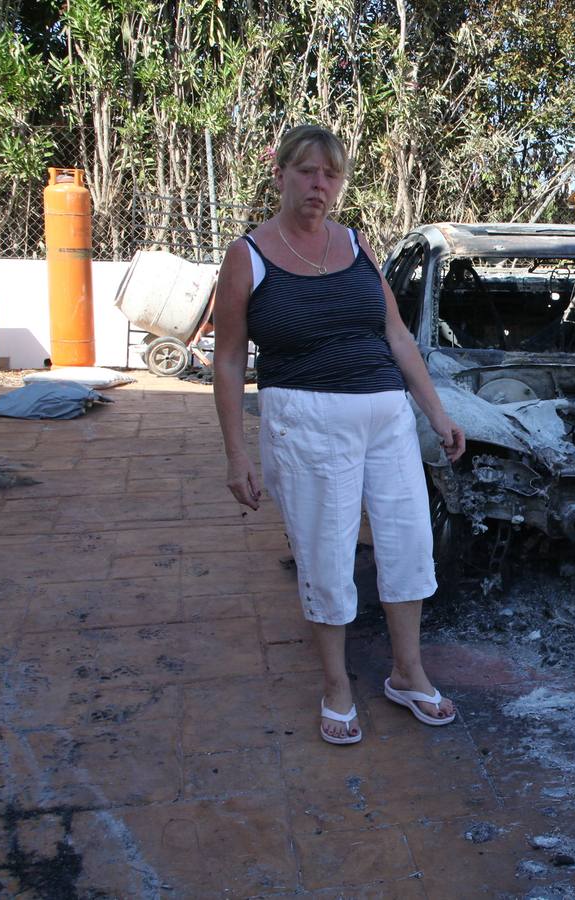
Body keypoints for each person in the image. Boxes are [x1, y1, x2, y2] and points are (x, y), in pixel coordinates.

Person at [213, 124, 465, 744]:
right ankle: (336, 685)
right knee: (326, 553)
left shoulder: (355, 246)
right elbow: (226, 358)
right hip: (306, 420)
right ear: (280, 176)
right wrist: (236, 453)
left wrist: (435, 412)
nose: (318, 185)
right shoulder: (248, 256)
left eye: (330, 175)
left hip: (386, 419)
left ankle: (408, 673)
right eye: (306, 171)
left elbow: (397, 336)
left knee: (408, 543)